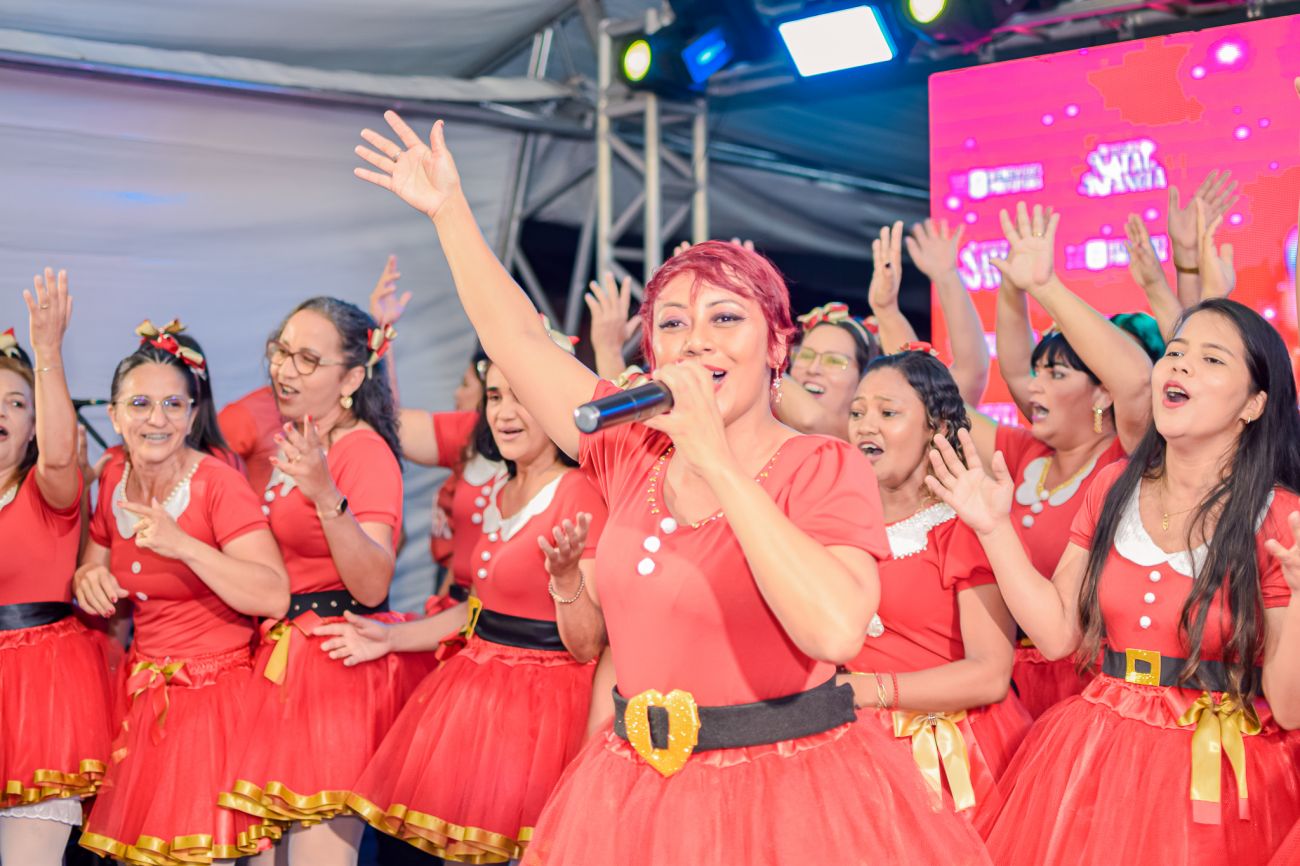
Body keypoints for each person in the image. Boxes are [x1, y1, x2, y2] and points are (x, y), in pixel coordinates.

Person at [354, 110, 991, 865]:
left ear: (777, 344)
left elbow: (834, 632)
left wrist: (717, 459)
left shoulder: (823, 465)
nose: (696, 341)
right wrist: (450, 213)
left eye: (726, 318)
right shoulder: (631, 451)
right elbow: (519, 340)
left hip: (786, 797)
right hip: (635, 792)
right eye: (673, 324)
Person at [928, 296, 1300, 863]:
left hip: (1223, 776)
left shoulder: (1280, 516)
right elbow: (1058, 636)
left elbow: (1291, 708)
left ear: (1254, 404)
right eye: (1175, 352)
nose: (1181, 364)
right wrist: (994, 528)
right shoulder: (1113, 487)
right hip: (1100, 750)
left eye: (1211, 359)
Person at [319, 358, 607, 862]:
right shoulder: (499, 488)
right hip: (478, 691)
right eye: (494, 397)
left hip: (545, 711)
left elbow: (587, 644)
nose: (504, 412)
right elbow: (478, 611)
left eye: (522, 397)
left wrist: (565, 580)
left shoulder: (580, 491)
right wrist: (390, 637)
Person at [75, 324, 289, 865]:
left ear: (193, 416)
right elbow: (95, 560)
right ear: (114, 415)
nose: (158, 419)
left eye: (174, 404)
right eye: (141, 404)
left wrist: (185, 546)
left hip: (217, 700)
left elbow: (273, 594)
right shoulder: (114, 476)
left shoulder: (216, 483)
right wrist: (87, 578)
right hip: (145, 696)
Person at [220, 297, 410, 866]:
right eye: (281, 351)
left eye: (307, 359)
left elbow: (373, 584)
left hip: (333, 671)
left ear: (351, 379)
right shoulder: (303, 440)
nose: (284, 369)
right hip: (286, 660)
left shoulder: (364, 452)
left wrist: (327, 496)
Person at [968, 203, 1154, 718]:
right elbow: (946, 401)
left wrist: (1044, 285)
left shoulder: (1126, 458)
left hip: (1087, 684)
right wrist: (1011, 289)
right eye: (1039, 373)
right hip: (1010, 679)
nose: (1033, 387)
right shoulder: (1022, 453)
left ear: (1102, 393)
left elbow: (1138, 381)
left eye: (1056, 375)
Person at [841, 347, 1029, 822]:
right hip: (854, 750)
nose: (866, 426)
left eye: (888, 413)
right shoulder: (836, 526)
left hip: (953, 754)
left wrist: (867, 690)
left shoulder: (962, 529)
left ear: (937, 428)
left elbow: (989, 674)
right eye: (857, 412)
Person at [0, 271, 113, 866]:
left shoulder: (49, 492)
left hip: (39, 695)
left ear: (33, 428)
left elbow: (63, 453)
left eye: (15, 403)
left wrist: (47, 354)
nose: (1, 411)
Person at [779, 219, 990, 440]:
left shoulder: (884, 443)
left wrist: (945, 278)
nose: (813, 369)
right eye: (805, 356)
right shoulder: (763, 432)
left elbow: (969, 374)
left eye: (834, 361)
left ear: (863, 382)